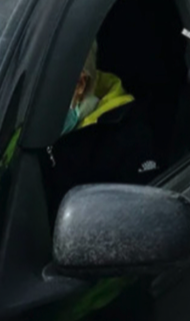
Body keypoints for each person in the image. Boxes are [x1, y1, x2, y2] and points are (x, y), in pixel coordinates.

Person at [42, 43, 163, 214]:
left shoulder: (128, 137)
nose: (34, 103)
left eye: (43, 88)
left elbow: (139, 217)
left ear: (79, 85)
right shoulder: (21, 130)